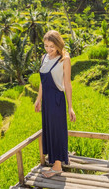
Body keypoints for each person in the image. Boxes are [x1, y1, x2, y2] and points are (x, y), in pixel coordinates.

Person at [34, 30, 76, 178]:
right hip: (46, 101)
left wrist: (70, 107)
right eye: (46, 46)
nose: (49, 49)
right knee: (49, 130)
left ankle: (57, 167)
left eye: (52, 46)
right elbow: (42, 82)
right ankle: (56, 161)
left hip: (57, 100)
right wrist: (38, 99)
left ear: (58, 44)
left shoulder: (64, 59)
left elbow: (67, 84)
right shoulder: (44, 57)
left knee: (57, 130)